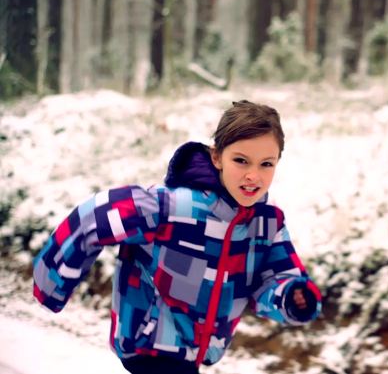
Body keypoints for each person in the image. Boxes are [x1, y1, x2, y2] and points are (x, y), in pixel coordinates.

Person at [33, 100, 322, 374]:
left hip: (193, 356)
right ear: (217, 156)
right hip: (150, 348)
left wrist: (292, 297)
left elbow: (272, 281)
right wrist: (52, 284)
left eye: (266, 164)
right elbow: (93, 216)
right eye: (241, 161)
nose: (253, 176)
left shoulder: (266, 225)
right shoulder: (169, 207)